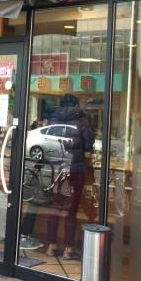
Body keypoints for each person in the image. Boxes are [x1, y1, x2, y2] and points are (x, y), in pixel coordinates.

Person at [45, 94, 95, 260]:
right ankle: (68, 248)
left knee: (54, 207)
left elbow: (46, 141)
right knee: (71, 210)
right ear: (76, 104)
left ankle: (51, 246)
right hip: (75, 169)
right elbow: (88, 145)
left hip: (56, 169)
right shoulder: (82, 121)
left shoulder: (53, 120)